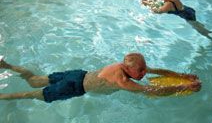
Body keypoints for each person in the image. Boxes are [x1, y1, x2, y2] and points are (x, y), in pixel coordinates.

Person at [0, 53, 201, 103]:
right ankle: (2, 97)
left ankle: (7, 65)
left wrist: (182, 76)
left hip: (78, 74)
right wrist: (184, 87)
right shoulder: (122, 81)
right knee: (34, 94)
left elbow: (158, 71)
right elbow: (153, 91)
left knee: (35, 79)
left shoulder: (130, 64)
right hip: (75, 87)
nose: (143, 74)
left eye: (143, 70)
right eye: (140, 72)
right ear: (129, 70)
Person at [141, 0, 212, 43]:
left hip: (187, 15)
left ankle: (211, 37)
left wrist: (147, 3)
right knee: (197, 24)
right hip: (188, 10)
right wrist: (149, 0)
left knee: (197, 28)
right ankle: (206, 30)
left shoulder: (169, 4)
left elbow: (158, 11)